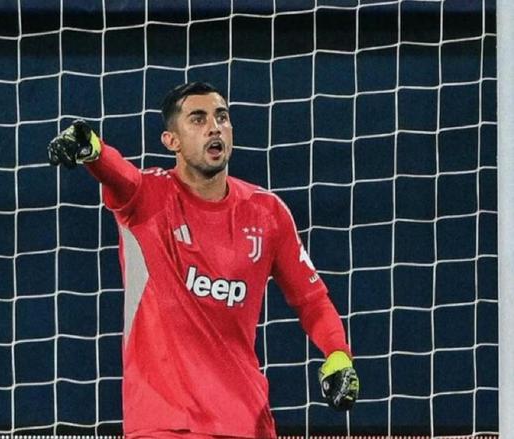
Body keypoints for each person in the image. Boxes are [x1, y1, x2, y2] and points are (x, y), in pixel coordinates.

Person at [47, 82, 359, 439]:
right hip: (166, 423)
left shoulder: (268, 212)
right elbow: (120, 175)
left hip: (248, 422)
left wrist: (338, 353)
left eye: (221, 117)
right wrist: (93, 150)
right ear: (172, 141)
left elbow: (312, 300)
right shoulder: (147, 197)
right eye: (198, 119)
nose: (214, 127)